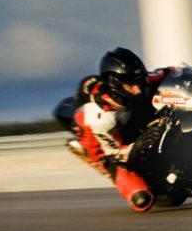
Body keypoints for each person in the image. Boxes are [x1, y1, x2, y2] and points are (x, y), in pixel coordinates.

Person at [66, 47, 161, 212]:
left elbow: (164, 73)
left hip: (123, 120)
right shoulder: (102, 117)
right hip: (106, 150)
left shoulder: (133, 82)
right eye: (132, 85)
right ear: (115, 84)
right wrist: (141, 143)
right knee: (142, 201)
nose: (137, 89)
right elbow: (116, 154)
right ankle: (85, 152)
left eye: (138, 81)